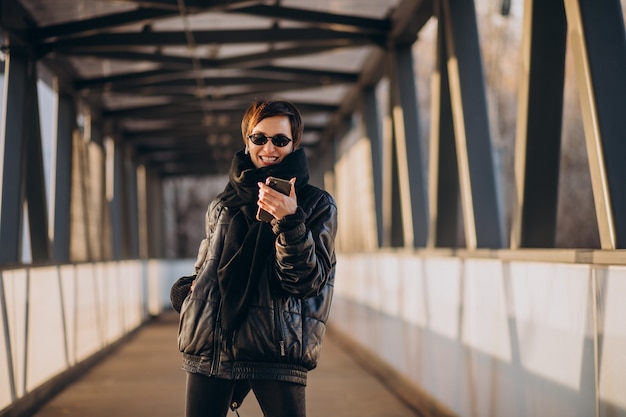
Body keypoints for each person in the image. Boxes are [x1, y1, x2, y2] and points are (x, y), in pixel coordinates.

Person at [170, 98, 338, 417]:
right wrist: (188, 292)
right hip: (211, 345)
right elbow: (207, 268)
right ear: (247, 141)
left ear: (294, 144)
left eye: (280, 140)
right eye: (259, 138)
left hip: (274, 348)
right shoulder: (223, 204)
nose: (269, 148)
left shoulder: (317, 204)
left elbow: (306, 282)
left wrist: (289, 220)